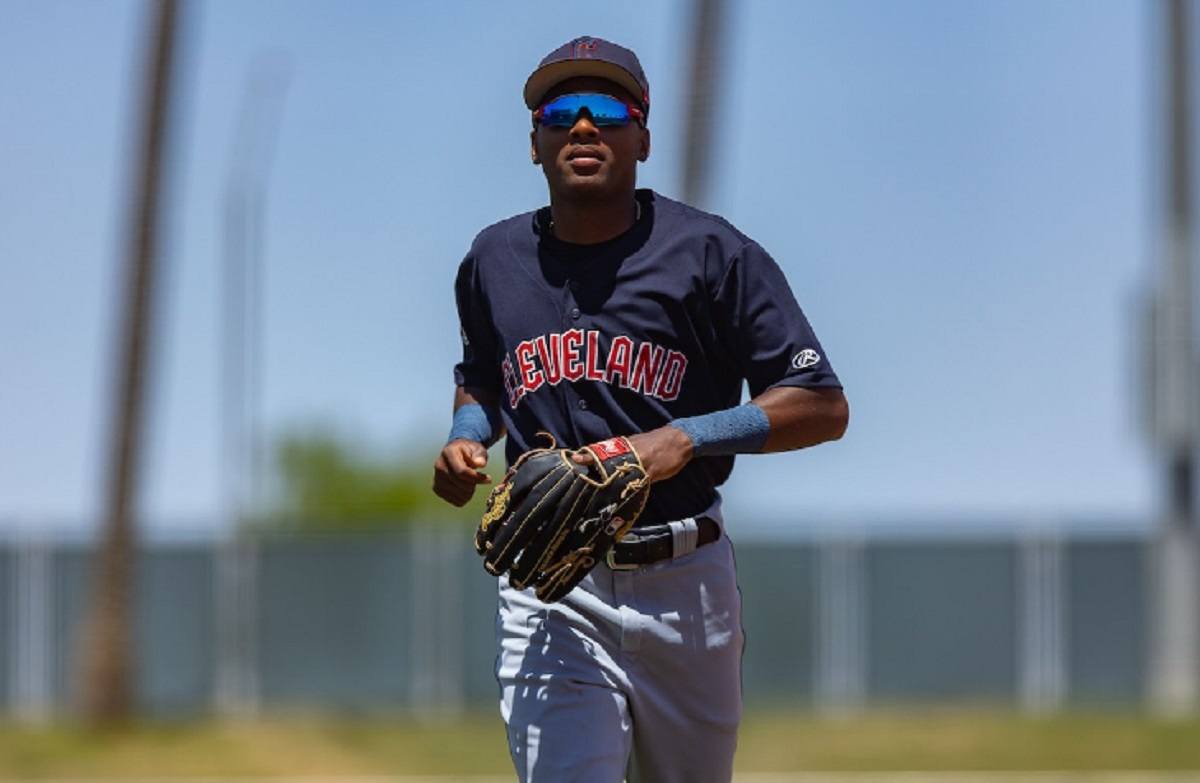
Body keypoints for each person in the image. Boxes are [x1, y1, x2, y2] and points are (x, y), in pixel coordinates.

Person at [432, 35, 848, 783]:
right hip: (554, 587)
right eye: (560, 111)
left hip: (687, 585)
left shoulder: (714, 254)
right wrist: (466, 434)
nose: (583, 126)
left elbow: (820, 403)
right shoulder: (493, 260)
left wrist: (685, 437)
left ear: (643, 137)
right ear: (535, 143)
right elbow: (481, 379)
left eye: (609, 110)